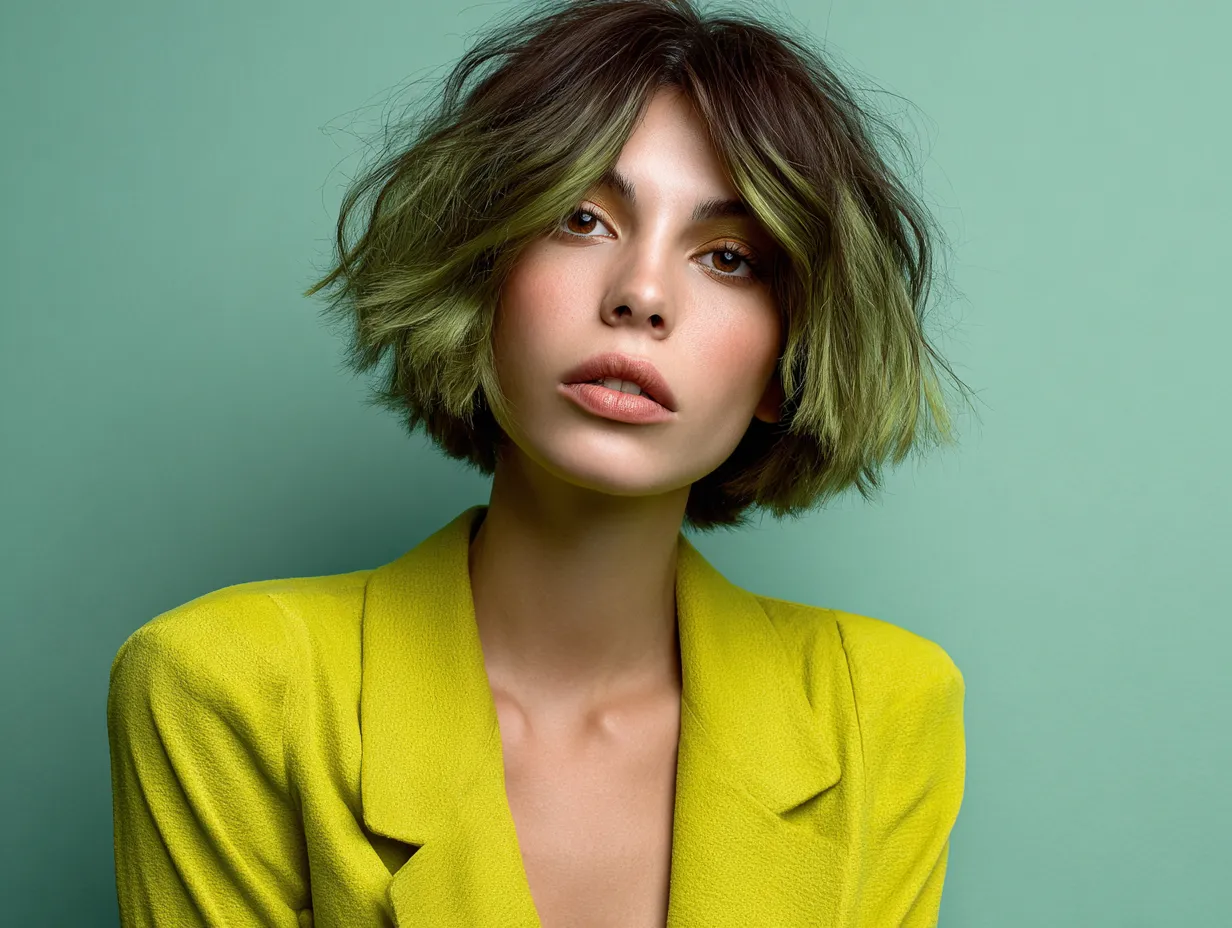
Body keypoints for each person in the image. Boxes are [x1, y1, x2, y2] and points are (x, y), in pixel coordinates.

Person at [107, 0, 977, 925]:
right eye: (581, 219)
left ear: (788, 362)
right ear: (482, 278)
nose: (642, 294)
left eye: (727, 257)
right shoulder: (223, 689)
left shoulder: (879, 706)